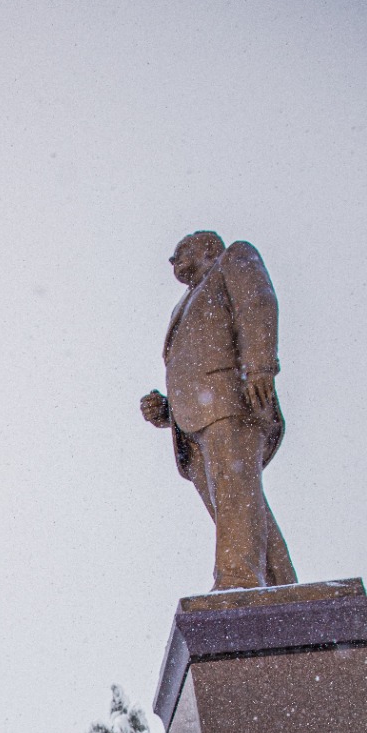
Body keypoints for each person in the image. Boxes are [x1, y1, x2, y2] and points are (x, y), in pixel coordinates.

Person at [140, 230, 297, 591]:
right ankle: (280, 585)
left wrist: (259, 366)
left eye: (182, 250)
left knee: (235, 493)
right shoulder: (185, 302)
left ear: (208, 247)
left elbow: (257, 303)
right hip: (194, 422)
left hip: (231, 401)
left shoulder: (233, 259)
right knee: (234, 502)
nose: (173, 260)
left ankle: (237, 582)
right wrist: (168, 410)